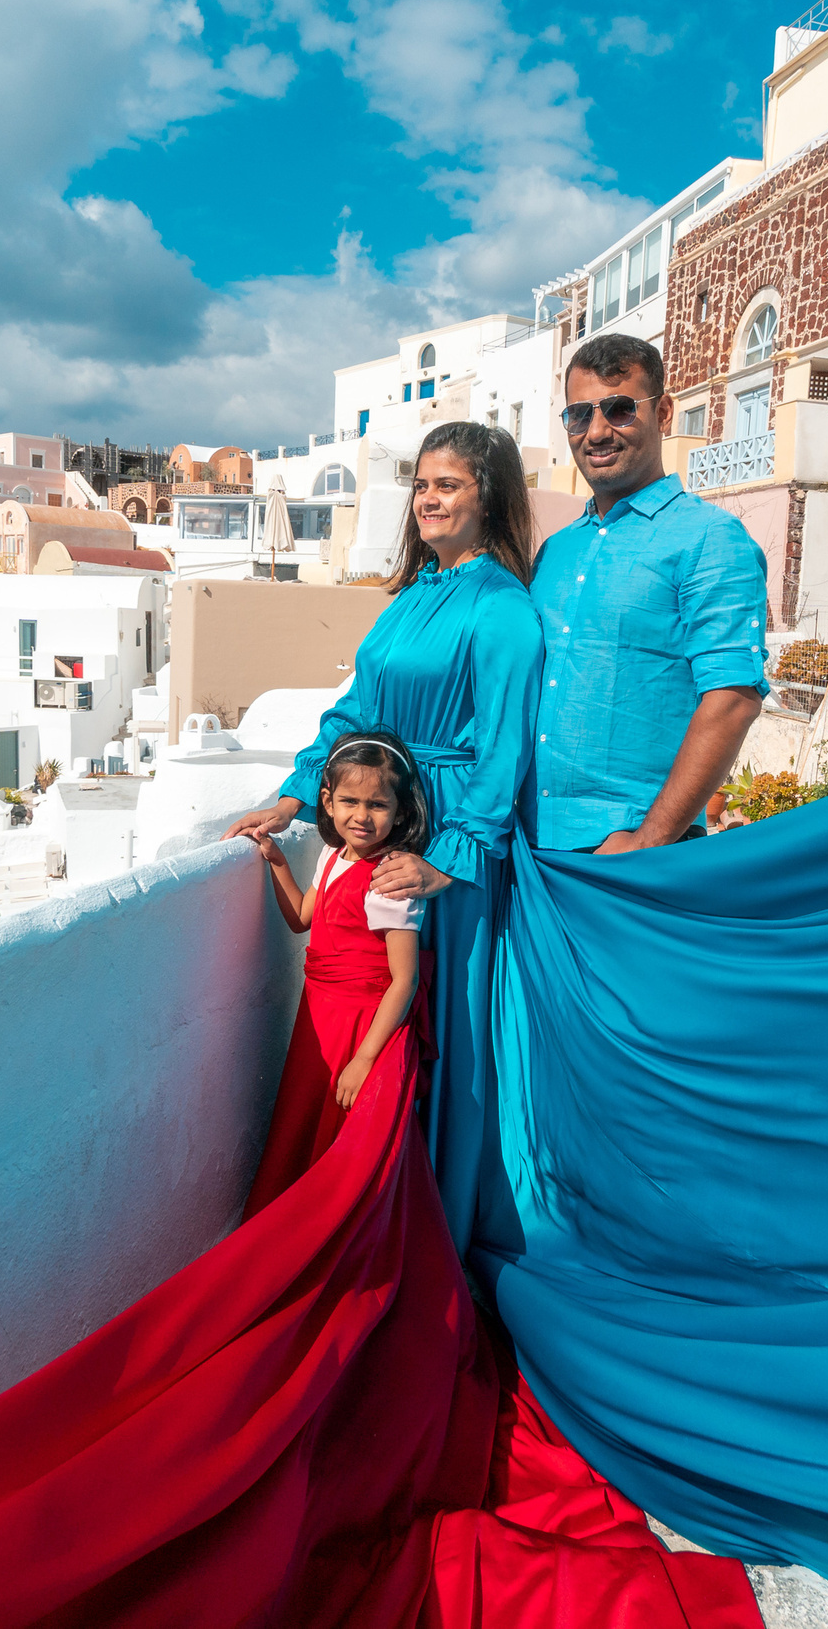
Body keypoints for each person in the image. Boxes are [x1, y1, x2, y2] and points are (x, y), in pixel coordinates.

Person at [225, 420, 543, 1251]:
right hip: (379, 821)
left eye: (451, 484)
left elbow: (504, 749)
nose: (430, 499)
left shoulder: (504, 609)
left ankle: (422, 1225)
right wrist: (297, 798)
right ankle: (360, 1207)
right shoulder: (409, 600)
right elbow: (354, 718)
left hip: (440, 849)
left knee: (432, 1036)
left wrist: (448, 864)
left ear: (491, 496)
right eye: (423, 484)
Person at [534, 333, 768, 854]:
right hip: (527, 848)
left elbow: (733, 698)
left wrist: (649, 843)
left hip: (624, 855)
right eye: (578, 415)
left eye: (619, 409)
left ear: (662, 412)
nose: (596, 431)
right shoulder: (554, 552)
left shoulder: (711, 538)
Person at [245, 731, 428, 1213]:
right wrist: (278, 862)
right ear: (326, 801)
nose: (361, 817)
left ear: (401, 810)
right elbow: (303, 918)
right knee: (306, 1119)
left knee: (344, 1139)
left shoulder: (391, 880)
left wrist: (366, 1058)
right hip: (318, 1019)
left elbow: (404, 981)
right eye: (349, 801)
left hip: (361, 1027)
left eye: (377, 804)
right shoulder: (332, 855)